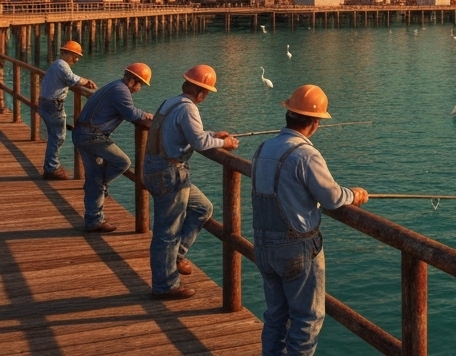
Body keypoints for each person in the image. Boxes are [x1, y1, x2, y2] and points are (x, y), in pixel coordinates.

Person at [252, 85, 368, 356]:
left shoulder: (263, 148)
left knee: (276, 315)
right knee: (307, 319)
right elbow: (332, 197)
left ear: (289, 114)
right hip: (296, 248)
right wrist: (355, 194)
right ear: (315, 123)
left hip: (262, 244)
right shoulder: (306, 154)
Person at [142, 64, 238, 300]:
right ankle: (165, 285)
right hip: (169, 172)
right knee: (167, 230)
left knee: (202, 208)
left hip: (155, 168)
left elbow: (188, 134)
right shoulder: (189, 109)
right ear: (202, 92)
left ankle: (177, 255)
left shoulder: (170, 102)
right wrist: (224, 144)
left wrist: (213, 136)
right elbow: (198, 142)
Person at [72, 63, 154, 233]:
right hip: (92, 136)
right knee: (122, 162)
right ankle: (100, 186)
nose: (140, 88)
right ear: (132, 81)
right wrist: (145, 115)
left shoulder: (114, 85)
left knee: (94, 176)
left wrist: (140, 114)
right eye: (141, 85)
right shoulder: (121, 90)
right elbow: (131, 113)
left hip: (82, 133)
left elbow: (128, 110)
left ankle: (94, 219)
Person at [38, 40, 97, 180]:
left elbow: (68, 80)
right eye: (74, 55)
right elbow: (73, 79)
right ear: (64, 53)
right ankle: (51, 168)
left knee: (55, 136)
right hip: (53, 105)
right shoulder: (61, 65)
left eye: (77, 57)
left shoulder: (56, 65)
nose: (76, 59)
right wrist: (87, 81)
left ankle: (51, 166)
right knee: (58, 137)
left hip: (46, 103)